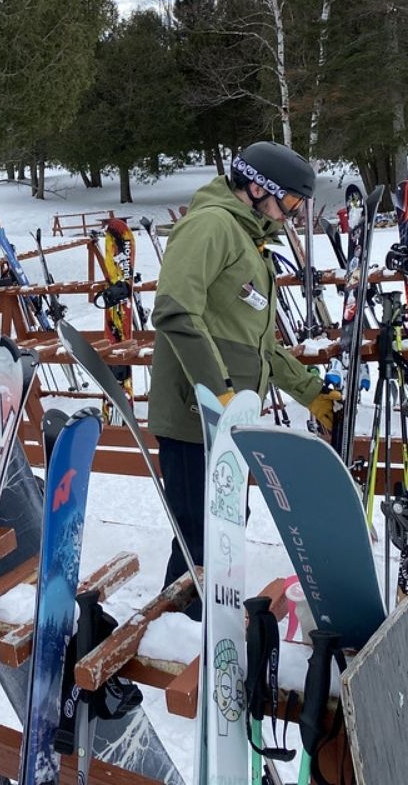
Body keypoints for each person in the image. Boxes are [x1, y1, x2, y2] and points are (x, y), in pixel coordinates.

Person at [147, 140, 340, 595]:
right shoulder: (211, 226)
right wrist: (219, 392)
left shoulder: (248, 239)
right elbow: (175, 311)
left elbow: (258, 346)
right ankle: (185, 624)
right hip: (195, 418)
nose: (292, 213)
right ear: (256, 188)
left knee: (225, 527)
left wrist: (309, 391)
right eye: (289, 200)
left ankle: (197, 621)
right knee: (202, 536)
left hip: (227, 418)